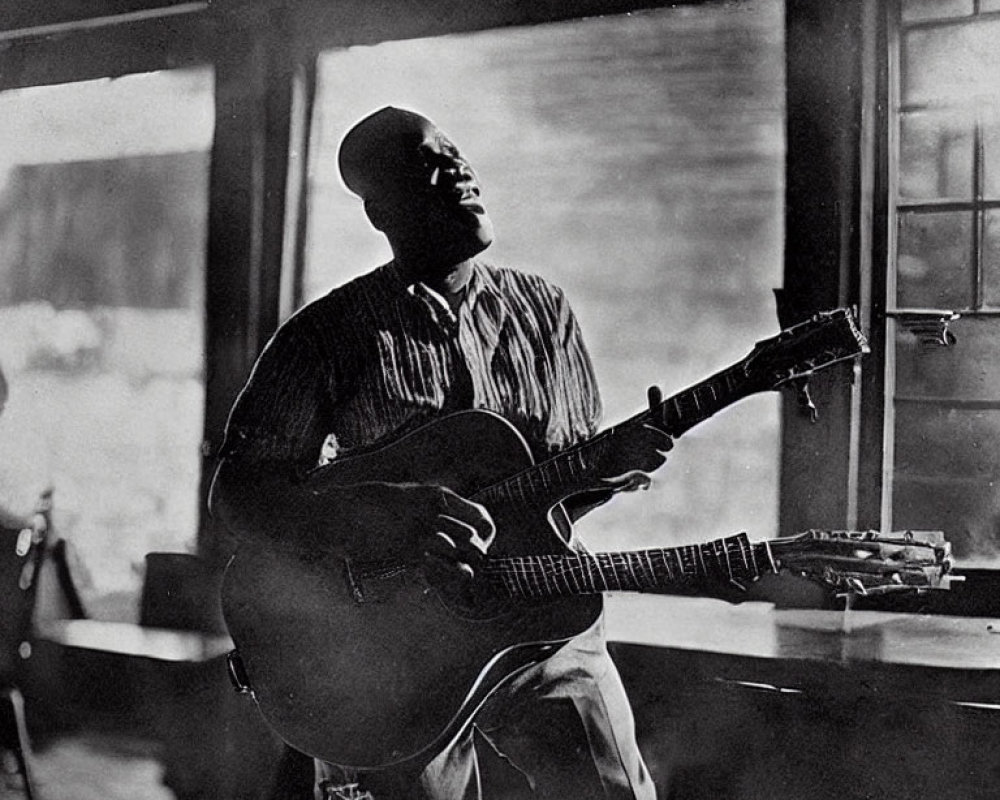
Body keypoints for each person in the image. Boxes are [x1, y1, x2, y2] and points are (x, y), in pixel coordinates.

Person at [210, 106, 684, 800]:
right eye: (425, 163)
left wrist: (608, 474)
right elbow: (239, 495)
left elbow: (556, 495)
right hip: (393, 650)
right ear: (380, 212)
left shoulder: (542, 312)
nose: (457, 169)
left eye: (455, 153)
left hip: (534, 621)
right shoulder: (326, 336)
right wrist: (377, 514)